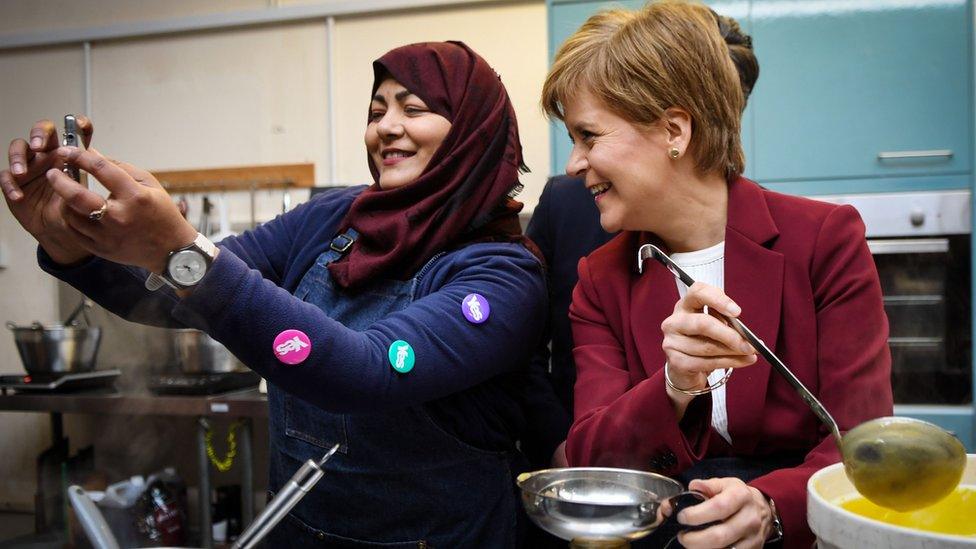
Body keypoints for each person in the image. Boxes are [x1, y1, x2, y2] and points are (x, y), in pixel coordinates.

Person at [2, 41, 548, 547]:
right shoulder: (336, 218)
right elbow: (173, 295)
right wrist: (66, 239)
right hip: (302, 532)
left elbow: (368, 370)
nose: (386, 128)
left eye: (414, 108)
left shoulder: (500, 274)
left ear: (472, 131)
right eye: (376, 112)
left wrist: (181, 249)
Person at [540, 2, 892, 547]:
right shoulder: (601, 279)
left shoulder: (825, 239)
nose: (573, 164)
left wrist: (773, 507)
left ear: (674, 130)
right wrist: (672, 385)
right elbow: (591, 457)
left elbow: (862, 442)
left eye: (589, 136)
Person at [523, 8, 759, 472]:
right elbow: (524, 351)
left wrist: (769, 504)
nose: (576, 161)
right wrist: (563, 449)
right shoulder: (589, 248)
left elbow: (844, 440)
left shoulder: (800, 236)